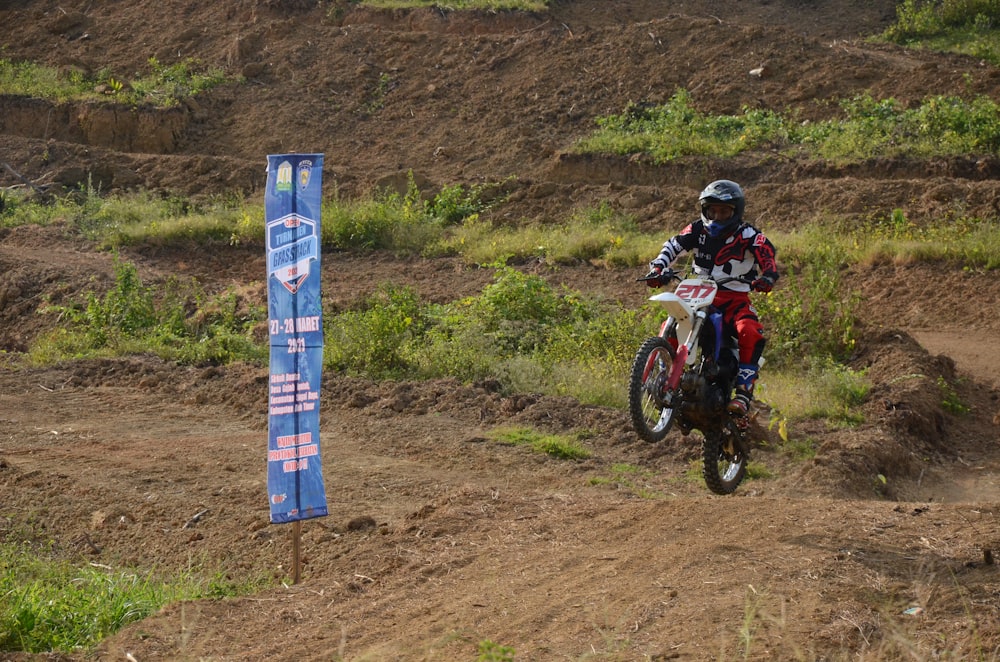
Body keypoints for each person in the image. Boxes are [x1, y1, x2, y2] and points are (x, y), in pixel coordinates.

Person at [646, 179, 779, 416]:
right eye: (712, 211)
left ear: (735, 212)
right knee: (672, 322)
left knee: (750, 330)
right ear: (705, 210)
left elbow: (767, 255)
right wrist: (657, 268)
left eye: (724, 211)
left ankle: (743, 393)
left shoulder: (748, 234)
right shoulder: (697, 229)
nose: (717, 216)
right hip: (698, 293)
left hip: (734, 300)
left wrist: (768, 276)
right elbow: (673, 245)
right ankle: (659, 378)